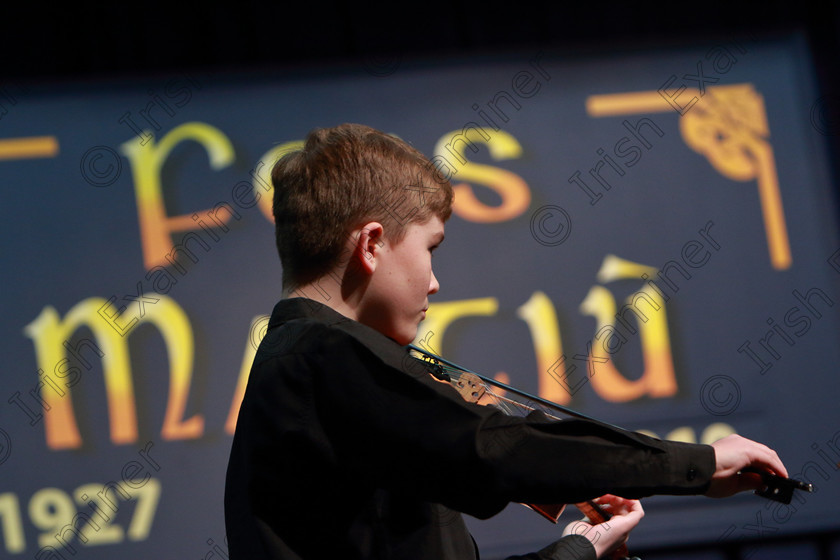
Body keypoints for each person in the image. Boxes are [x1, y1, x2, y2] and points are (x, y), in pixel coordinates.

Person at [224, 123, 788, 560]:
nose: (436, 281)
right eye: (432, 249)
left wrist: (578, 548)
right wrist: (696, 464)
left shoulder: (308, 369)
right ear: (372, 244)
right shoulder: (319, 358)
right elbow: (494, 449)